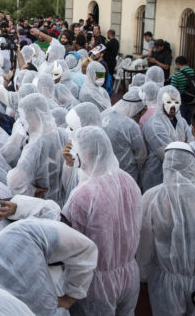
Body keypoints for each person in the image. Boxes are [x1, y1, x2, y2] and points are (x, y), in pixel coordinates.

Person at [138, 143, 195, 316]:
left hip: (164, 279)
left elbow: (145, 242)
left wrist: (143, 274)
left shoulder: (151, 197)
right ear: (192, 165)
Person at [62, 127, 142, 315]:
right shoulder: (128, 180)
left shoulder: (83, 195)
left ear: (84, 155)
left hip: (96, 283)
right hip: (130, 274)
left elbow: (71, 240)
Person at [142, 85, 192, 191]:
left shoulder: (180, 120)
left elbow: (191, 138)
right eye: (169, 102)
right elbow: (168, 154)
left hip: (177, 177)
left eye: (176, 102)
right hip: (157, 176)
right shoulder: (155, 125)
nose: (173, 106)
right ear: (161, 102)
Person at [169, 56, 195, 123]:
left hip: (181, 103)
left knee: (179, 124)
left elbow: (172, 91)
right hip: (193, 102)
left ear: (177, 64)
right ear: (187, 63)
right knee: (189, 124)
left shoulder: (177, 75)